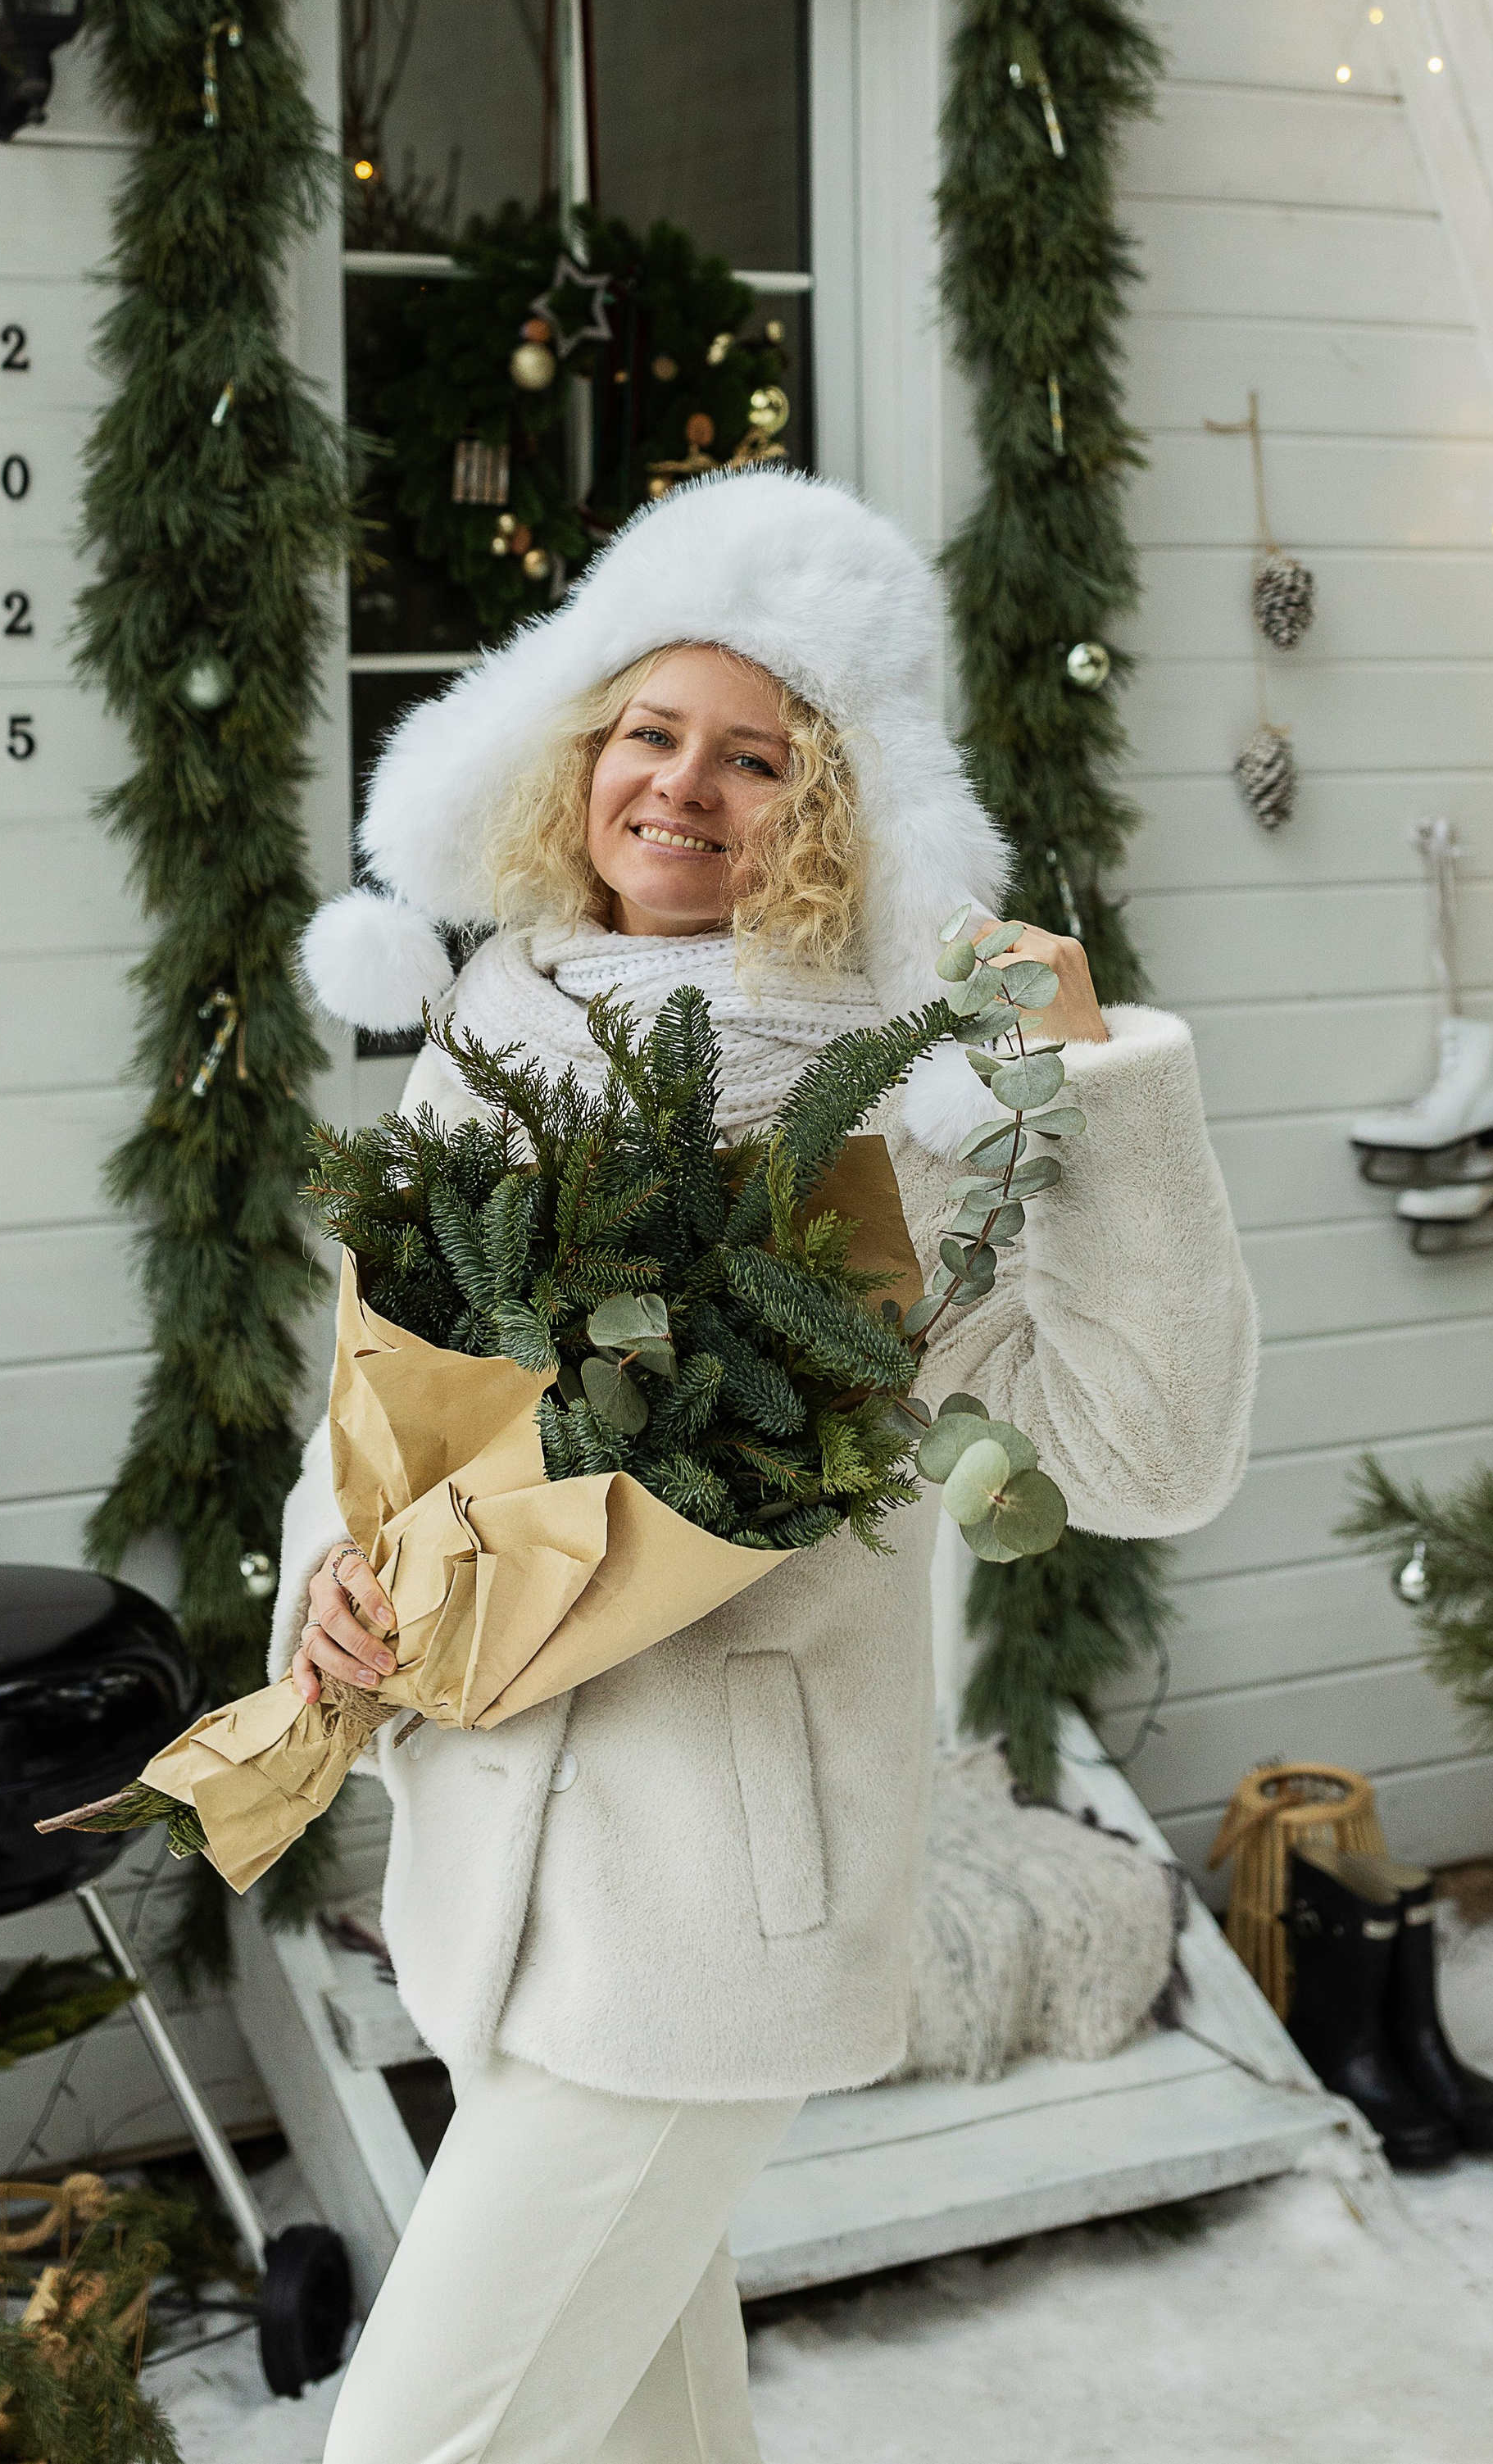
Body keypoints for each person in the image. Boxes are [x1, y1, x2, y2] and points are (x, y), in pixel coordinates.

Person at [281, 468, 1256, 2464]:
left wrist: (1101, 1083)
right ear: (574, 746)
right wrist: (335, 1582)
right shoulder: (493, 1016)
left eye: (755, 756)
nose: (682, 786)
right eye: (649, 730)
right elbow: (383, 1400)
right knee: (648, 2433)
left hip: (708, 1904)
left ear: (831, 807)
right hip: (483, 1853)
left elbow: (1144, 1455)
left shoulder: (896, 1093)